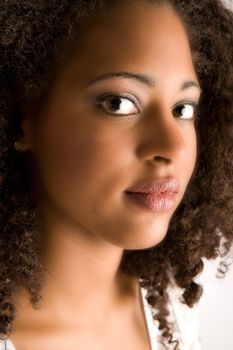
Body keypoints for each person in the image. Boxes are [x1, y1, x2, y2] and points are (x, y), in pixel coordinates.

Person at [0, 0, 233, 349]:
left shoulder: (172, 311)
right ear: (23, 118)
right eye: (119, 103)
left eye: (182, 109)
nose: (173, 146)